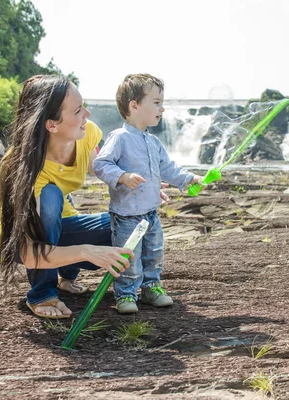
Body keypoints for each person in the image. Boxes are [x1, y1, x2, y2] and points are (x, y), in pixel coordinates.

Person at [0, 75, 134, 319]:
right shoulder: (22, 167)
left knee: (125, 222)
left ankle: (66, 274)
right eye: (78, 110)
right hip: (26, 240)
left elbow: (100, 167)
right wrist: (86, 251)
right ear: (52, 124)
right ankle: (41, 293)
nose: (88, 114)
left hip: (63, 229)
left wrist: (139, 183)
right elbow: (29, 252)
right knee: (50, 197)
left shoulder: (87, 133)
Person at [93, 73, 201, 314]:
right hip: (126, 215)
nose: (162, 109)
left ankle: (151, 288)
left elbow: (167, 168)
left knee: (154, 253)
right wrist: (122, 176)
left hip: (151, 214)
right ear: (134, 105)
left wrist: (188, 178)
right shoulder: (119, 137)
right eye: (156, 102)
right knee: (129, 257)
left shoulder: (153, 142)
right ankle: (126, 294)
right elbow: (101, 164)